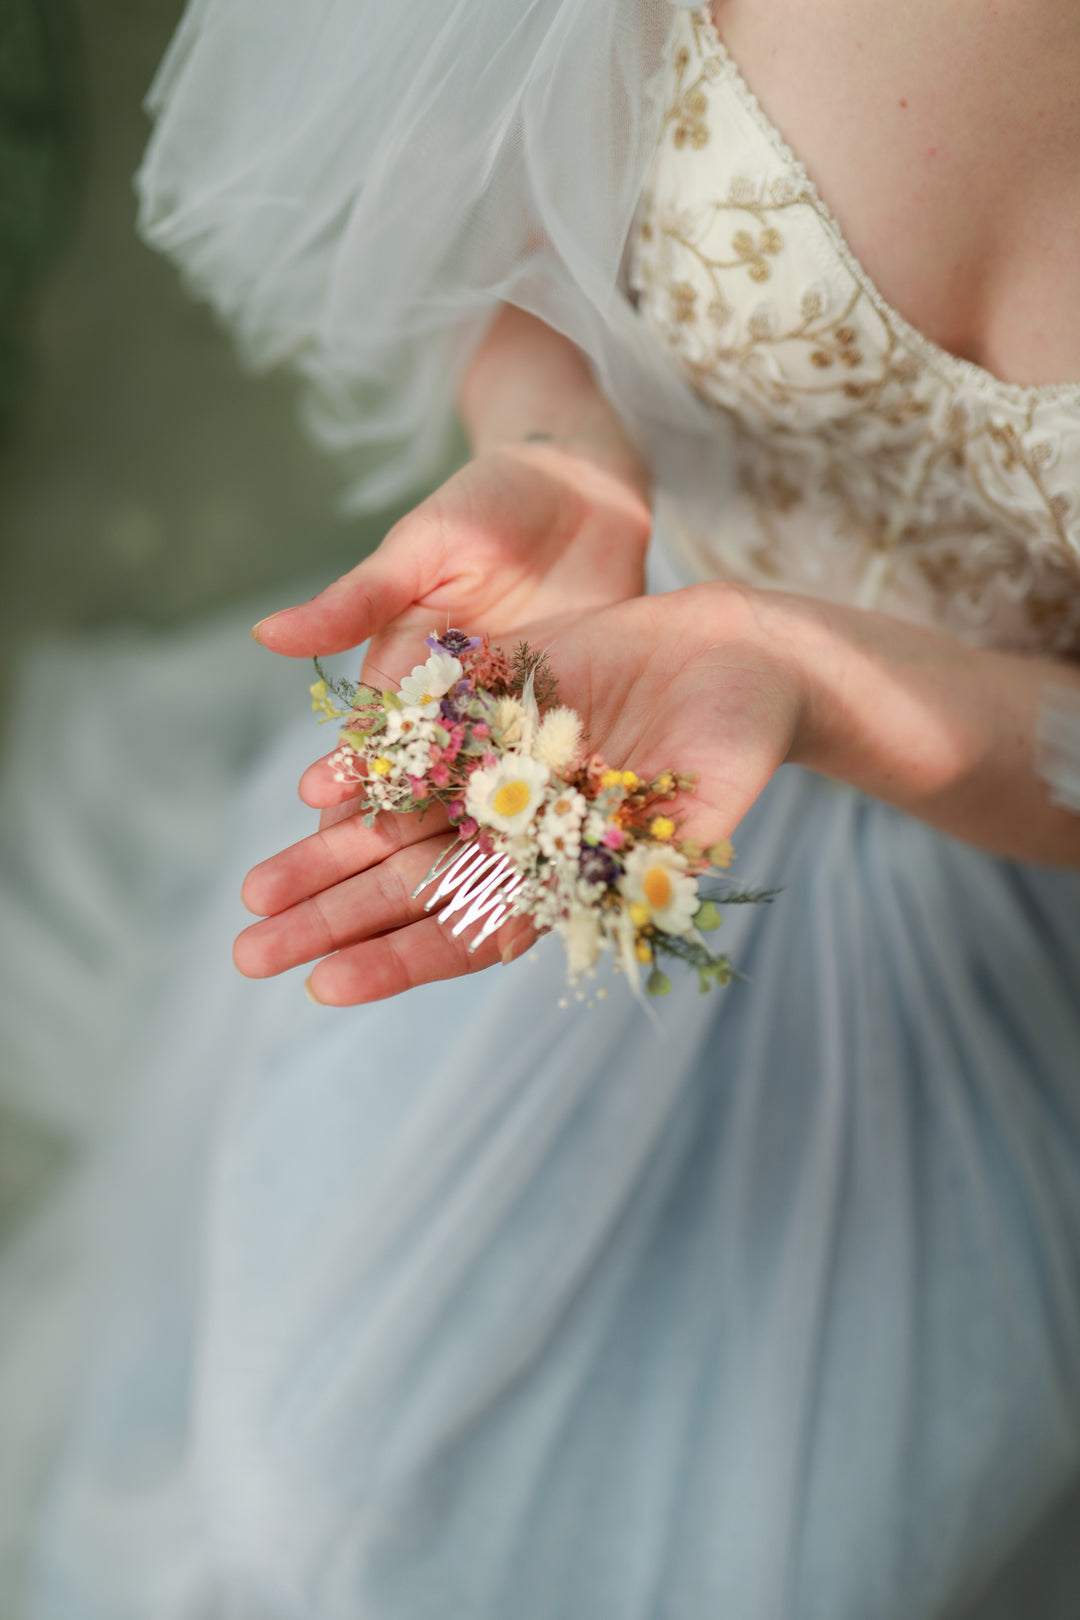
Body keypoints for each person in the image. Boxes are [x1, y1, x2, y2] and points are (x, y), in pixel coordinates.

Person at [6, 2, 1080, 1616]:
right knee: (306, 1468)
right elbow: (496, 177)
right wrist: (562, 450)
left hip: (1008, 870)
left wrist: (824, 684)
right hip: (590, 731)